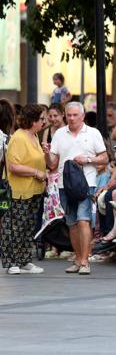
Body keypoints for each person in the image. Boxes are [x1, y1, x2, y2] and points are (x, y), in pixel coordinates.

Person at [46, 102, 108, 274]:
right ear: (65, 115)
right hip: (64, 184)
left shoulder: (93, 133)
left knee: (83, 220)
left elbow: (104, 158)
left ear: (82, 116)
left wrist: (88, 160)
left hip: (86, 183)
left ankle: (85, 261)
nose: (72, 118)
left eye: (75, 115)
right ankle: (78, 258)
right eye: (69, 115)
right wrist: (46, 152)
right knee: (71, 223)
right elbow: (52, 163)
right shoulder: (59, 133)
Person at [1, 104, 48, 274]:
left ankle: (24, 260)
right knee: (14, 227)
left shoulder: (34, 135)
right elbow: (13, 166)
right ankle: (11, 262)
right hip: (18, 191)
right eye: (42, 118)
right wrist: (36, 172)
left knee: (28, 227)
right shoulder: (19, 138)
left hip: (34, 190)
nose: (44, 121)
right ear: (33, 120)